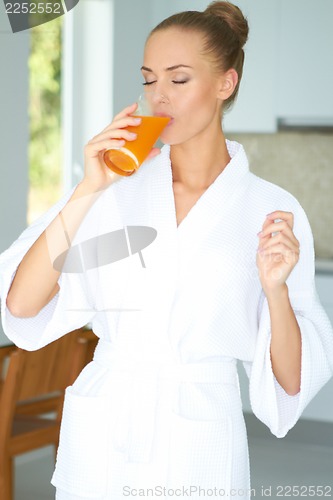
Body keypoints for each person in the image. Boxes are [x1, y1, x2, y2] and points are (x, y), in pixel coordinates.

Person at [1, 2, 333, 499]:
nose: (159, 97)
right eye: (149, 79)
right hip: (105, 431)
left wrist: (276, 291)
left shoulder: (270, 210)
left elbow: (290, 382)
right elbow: (21, 305)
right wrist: (89, 187)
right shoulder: (116, 190)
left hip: (201, 434)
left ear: (226, 83)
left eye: (179, 80)